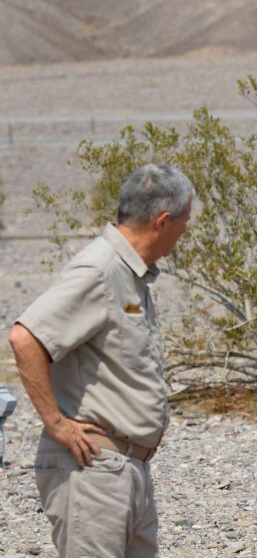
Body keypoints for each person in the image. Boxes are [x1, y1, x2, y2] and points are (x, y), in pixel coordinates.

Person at [7, 163, 194, 558]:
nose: (184, 233)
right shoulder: (100, 269)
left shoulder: (131, 275)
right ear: (163, 221)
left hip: (127, 469)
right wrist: (55, 423)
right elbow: (25, 338)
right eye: (184, 223)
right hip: (93, 471)